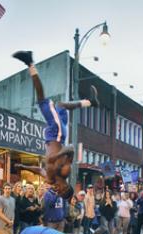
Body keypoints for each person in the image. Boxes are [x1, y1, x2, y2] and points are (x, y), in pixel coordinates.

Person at [12, 50, 99, 199]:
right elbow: (71, 148)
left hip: (50, 135)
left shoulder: (50, 179)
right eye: (63, 190)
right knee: (42, 101)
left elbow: (39, 170)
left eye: (59, 193)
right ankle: (29, 62)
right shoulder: (65, 171)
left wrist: (24, 166)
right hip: (57, 133)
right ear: (68, 185)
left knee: (61, 105)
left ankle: (90, 102)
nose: (58, 190)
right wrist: (56, 156)